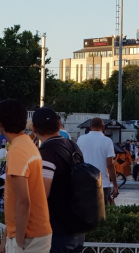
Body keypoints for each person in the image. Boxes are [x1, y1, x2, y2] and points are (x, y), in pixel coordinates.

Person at [0, 100, 51, 253]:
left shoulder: (17, 151)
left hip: (29, 238)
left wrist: (17, 243)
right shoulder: (27, 144)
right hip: (33, 234)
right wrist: (6, 239)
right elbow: (15, 199)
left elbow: (23, 201)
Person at [32, 107, 87, 253]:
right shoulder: (73, 146)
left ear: (33, 128)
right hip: (76, 227)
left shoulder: (46, 154)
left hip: (58, 232)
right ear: (59, 124)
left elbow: (42, 194)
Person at [77, 118, 119, 205]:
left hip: (84, 182)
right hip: (102, 183)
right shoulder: (107, 141)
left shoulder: (81, 139)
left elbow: (77, 161)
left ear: (90, 126)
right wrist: (115, 185)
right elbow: (110, 165)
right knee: (102, 213)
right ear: (103, 127)